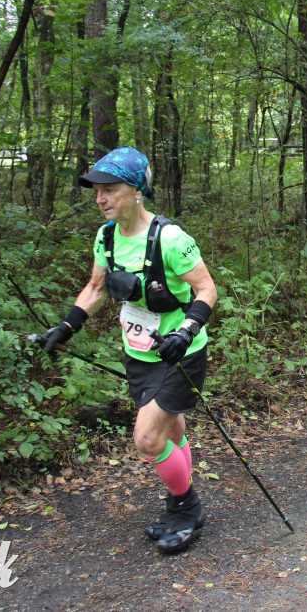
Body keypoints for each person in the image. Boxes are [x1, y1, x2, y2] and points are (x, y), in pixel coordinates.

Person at [42, 147, 217, 555]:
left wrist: (187, 331)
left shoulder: (170, 239)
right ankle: (180, 502)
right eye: (96, 192)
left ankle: (187, 507)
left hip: (179, 354)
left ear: (136, 190)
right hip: (138, 352)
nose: (100, 199)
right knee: (171, 431)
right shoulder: (107, 237)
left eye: (109, 190)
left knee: (146, 440)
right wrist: (68, 325)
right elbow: (97, 288)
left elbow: (206, 290)